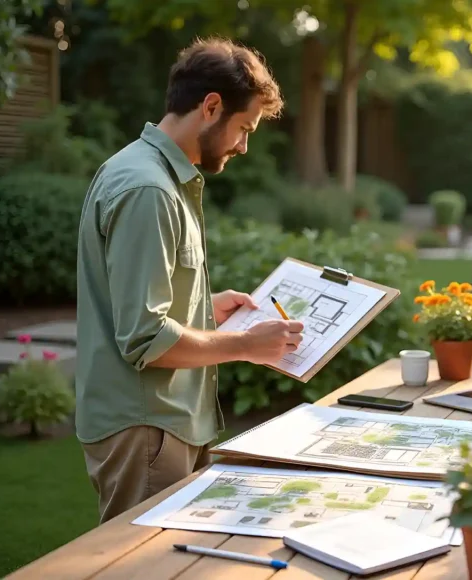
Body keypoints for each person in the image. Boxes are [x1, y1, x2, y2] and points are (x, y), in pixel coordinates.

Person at [74, 37, 304, 525]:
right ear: (211, 106)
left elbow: (136, 303)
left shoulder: (149, 173)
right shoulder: (148, 190)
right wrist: (245, 343)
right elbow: (147, 339)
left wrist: (204, 306)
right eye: (244, 128)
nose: (244, 145)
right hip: (148, 427)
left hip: (159, 424)